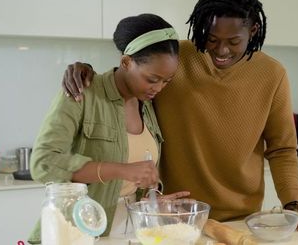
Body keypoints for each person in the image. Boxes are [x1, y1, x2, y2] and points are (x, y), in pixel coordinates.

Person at [63, 0, 298, 231]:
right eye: (212, 38)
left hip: (240, 217)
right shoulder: (176, 58)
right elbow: (130, 79)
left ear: (253, 30)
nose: (221, 50)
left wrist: (292, 200)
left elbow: (281, 148)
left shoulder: (272, 74)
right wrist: (88, 73)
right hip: (172, 213)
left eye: (234, 41)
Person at [28, 13, 190, 243]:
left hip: (133, 232)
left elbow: (137, 177)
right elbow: (43, 163)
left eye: (166, 81)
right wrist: (121, 169)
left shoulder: (148, 103)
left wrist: (152, 200)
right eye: (152, 79)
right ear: (126, 62)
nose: (159, 88)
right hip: (80, 233)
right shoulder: (81, 91)